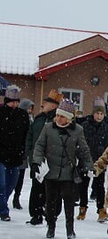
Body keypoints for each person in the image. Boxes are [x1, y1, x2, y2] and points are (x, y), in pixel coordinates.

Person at [31, 99, 93, 239]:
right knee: (51, 201)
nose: (59, 118)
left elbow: (84, 150)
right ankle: (51, 227)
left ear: (69, 118)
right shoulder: (48, 128)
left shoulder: (77, 130)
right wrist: (36, 162)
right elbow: (40, 146)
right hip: (51, 171)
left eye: (62, 116)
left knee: (69, 203)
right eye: (58, 115)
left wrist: (89, 167)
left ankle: (69, 229)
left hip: (68, 172)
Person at [25, 89, 63, 225]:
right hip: (38, 158)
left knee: (52, 189)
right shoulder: (39, 118)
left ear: (53, 106)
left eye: (46, 103)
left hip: (52, 160)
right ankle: (36, 214)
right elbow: (30, 136)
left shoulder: (58, 120)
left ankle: (51, 214)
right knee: (36, 187)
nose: (43, 105)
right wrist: (30, 153)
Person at [77, 97, 108, 222]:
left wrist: (106, 158)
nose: (99, 116)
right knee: (83, 184)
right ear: (93, 114)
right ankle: (83, 207)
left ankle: (101, 209)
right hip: (86, 159)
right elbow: (80, 142)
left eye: (101, 114)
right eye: (97, 113)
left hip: (100, 160)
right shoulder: (85, 126)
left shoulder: (107, 128)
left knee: (99, 186)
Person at [0, 86, 30, 221]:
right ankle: (3, 211)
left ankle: (2, 204)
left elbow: (26, 135)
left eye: (17, 101)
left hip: (16, 155)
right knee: (1, 183)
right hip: (0, 155)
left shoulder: (23, 115)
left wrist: (24, 150)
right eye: (12, 101)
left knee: (11, 184)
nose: (15, 104)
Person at [11, 98, 34, 210]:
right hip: (16, 151)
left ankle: (17, 197)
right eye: (29, 107)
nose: (30, 110)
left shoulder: (30, 119)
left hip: (24, 152)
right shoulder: (18, 118)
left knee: (20, 177)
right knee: (13, 176)